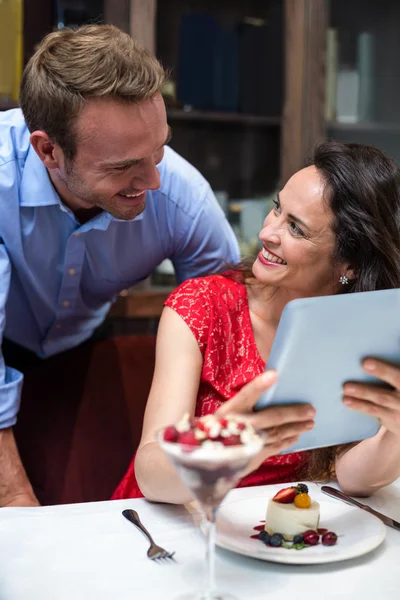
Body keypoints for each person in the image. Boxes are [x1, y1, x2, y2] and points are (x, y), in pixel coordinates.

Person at [0, 24, 240, 508]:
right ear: (49, 150)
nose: (152, 180)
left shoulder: (181, 196)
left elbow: (229, 328)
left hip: (82, 350)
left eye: (159, 150)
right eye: (123, 166)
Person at [112, 140, 400, 504]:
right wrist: (224, 448)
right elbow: (150, 474)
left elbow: (352, 477)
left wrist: (396, 436)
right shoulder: (203, 305)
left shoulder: (362, 327)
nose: (267, 233)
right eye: (277, 209)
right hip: (170, 523)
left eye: (295, 228)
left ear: (349, 263)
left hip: (277, 530)